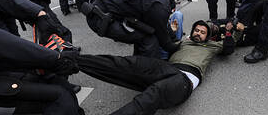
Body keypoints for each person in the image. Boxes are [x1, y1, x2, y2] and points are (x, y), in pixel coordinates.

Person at [77, 19, 244, 115]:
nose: (198, 33)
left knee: (150, 97)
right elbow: (166, 44)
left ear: (208, 37)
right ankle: (71, 59)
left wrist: (232, 32)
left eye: (202, 32)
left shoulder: (213, 46)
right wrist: (172, 32)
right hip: (165, 68)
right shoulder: (183, 42)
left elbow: (229, 48)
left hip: (184, 78)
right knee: (128, 64)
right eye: (196, 30)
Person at [81, 0, 199, 59]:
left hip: (102, 9)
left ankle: (135, 63)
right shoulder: (158, 3)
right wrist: (177, 47)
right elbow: (163, 38)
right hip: (101, 18)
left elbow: (160, 23)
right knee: (149, 39)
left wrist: (172, 37)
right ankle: (145, 74)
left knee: (145, 30)